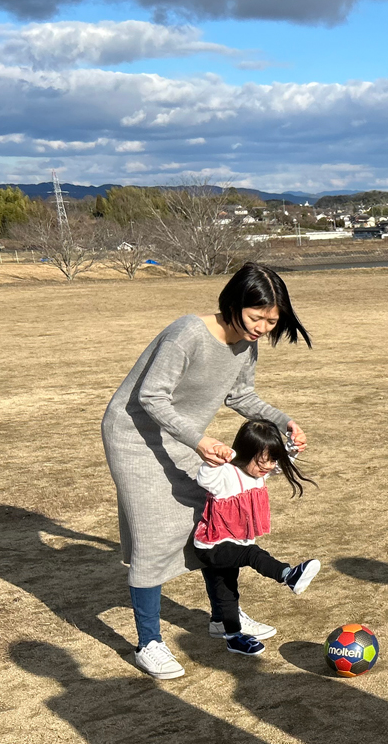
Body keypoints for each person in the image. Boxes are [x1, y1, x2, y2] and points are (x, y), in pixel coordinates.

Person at [101, 262, 310, 681]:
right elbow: (151, 397)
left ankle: (223, 618)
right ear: (233, 302)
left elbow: (241, 394)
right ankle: (149, 643)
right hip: (135, 437)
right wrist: (198, 440)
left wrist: (284, 420)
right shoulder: (187, 334)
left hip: (183, 437)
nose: (262, 329)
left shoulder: (245, 346)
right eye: (256, 318)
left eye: (272, 322)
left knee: (214, 524)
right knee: (155, 536)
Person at [193, 419, 320, 657]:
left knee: (228, 592)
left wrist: (292, 448)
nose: (270, 466)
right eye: (264, 461)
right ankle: (287, 575)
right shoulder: (225, 474)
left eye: (273, 460)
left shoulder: (259, 473)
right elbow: (204, 478)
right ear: (247, 452)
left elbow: (281, 466)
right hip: (212, 545)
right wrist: (214, 459)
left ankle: (232, 636)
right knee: (253, 554)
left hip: (233, 542)